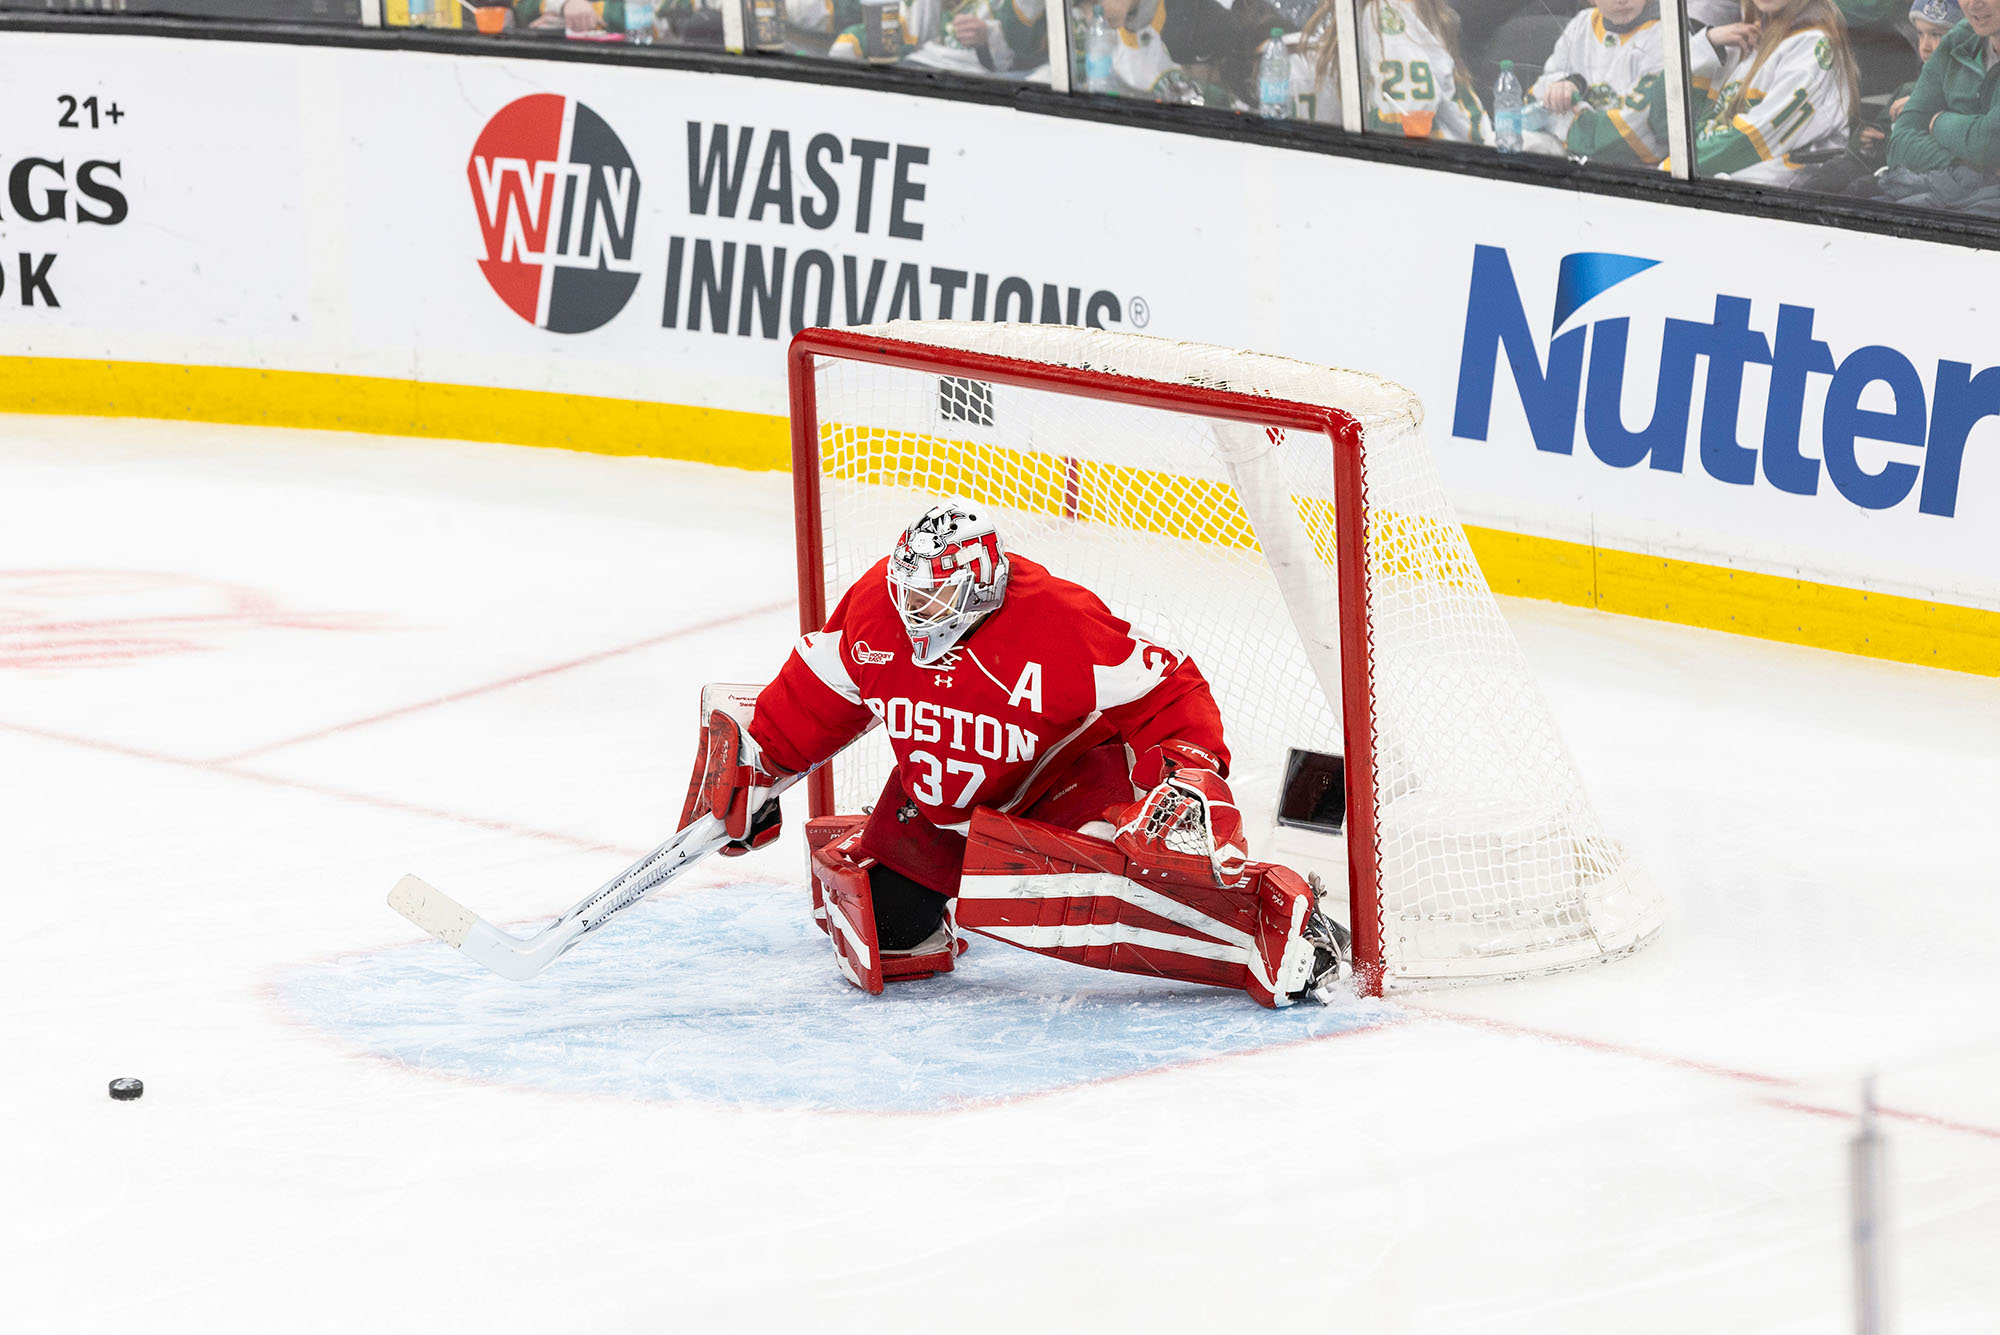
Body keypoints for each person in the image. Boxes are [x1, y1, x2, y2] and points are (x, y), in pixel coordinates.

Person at [680, 498, 1347, 1007]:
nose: (915, 610)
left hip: (1059, 789)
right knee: (889, 932)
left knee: (1114, 891)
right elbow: (819, 693)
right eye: (908, 591)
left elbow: (1165, 685)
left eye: (933, 595)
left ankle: (1273, 919)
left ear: (976, 584)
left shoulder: (1056, 619)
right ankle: (884, 847)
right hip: (943, 809)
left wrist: (1188, 769)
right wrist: (760, 760)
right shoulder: (877, 609)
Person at [1676, 0, 1860, 186]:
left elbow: (1751, 141)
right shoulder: (1739, 37)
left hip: (1764, 200)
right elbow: (1663, 124)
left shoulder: (1813, 45)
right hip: (1708, 184)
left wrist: (1679, 163)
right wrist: (1706, 44)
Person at [1527, 0, 1669, 166]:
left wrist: (1569, 116)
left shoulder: (1665, 36)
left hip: (1633, 172)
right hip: (1571, 159)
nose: (1622, 1)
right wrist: (1569, 83)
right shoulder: (1580, 24)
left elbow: (1635, 132)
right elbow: (1537, 99)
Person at [1888, 0, 2000, 172]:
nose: (1973, 4)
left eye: (1936, 34)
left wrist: (1939, 121)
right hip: (1949, 187)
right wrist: (1966, 163)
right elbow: (1898, 146)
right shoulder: (1959, 37)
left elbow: (1989, 144)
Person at [1856, 0, 1959, 153]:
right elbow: (1881, 137)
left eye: (1936, 35)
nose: (1925, 47)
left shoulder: (1975, 94)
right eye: (1920, 34)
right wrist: (1865, 140)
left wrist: (1925, 110)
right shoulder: (1908, 90)